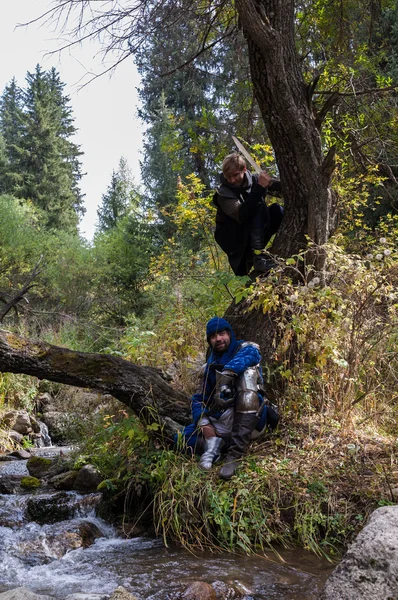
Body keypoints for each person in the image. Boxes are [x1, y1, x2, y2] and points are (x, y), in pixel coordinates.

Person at [178, 316, 279, 480]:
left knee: (247, 377)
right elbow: (198, 399)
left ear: (229, 333)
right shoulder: (210, 365)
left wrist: (227, 373)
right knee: (181, 438)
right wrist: (204, 424)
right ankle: (213, 445)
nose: (218, 339)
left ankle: (235, 454)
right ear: (209, 341)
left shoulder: (244, 348)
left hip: (251, 419)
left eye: (221, 333)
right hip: (222, 422)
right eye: (213, 336)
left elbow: (252, 354)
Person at [214, 153, 284, 276]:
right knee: (257, 206)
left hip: (252, 236)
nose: (231, 180)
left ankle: (258, 255)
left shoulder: (255, 180)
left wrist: (270, 182)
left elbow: (281, 189)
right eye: (228, 176)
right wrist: (260, 188)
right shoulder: (222, 194)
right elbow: (242, 214)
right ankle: (258, 259)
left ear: (244, 169)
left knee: (277, 211)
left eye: (235, 175)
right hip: (236, 245)